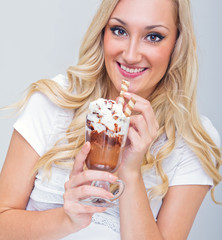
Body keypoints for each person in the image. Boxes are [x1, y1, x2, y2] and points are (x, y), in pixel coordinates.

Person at [0, 0, 221, 239]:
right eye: (119, 31)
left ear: (177, 43)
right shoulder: (55, 102)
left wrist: (130, 172)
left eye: (154, 36)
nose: (131, 54)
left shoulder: (192, 140)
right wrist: (66, 218)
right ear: (102, 32)